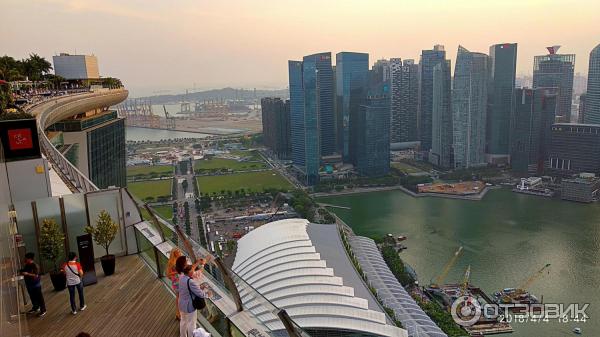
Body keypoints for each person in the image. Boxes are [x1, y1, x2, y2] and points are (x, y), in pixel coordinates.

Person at [178, 264, 207, 337]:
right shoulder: (190, 281)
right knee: (192, 324)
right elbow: (201, 294)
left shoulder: (181, 277)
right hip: (189, 306)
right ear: (190, 272)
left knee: (183, 321)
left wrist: (198, 287)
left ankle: (182, 336)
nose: (194, 272)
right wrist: (206, 292)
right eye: (193, 271)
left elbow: (187, 289)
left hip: (181, 304)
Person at [21, 252, 46, 317]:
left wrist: (27, 274)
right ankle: (35, 307)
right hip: (29, 284)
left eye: (26, 258)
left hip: (35, 284)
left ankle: (43, 310)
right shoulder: (27, 265)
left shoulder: (35, 265)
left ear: (30, 259)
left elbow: (36, 275)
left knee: (39, 297)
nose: (25, 259)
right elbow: (23, 271)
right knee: (32, 297)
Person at [167, 248, 183, 320]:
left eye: (179, 251)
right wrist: (177, 272)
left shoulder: (180, 260)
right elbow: (168, 274)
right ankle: (178, 313)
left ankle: (179, 312)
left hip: (181, 280)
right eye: (178, 252)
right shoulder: (172, 262)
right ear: (174, 253)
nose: (179, 252)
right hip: (176, 281)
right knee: (179, 297)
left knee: (180, 297)